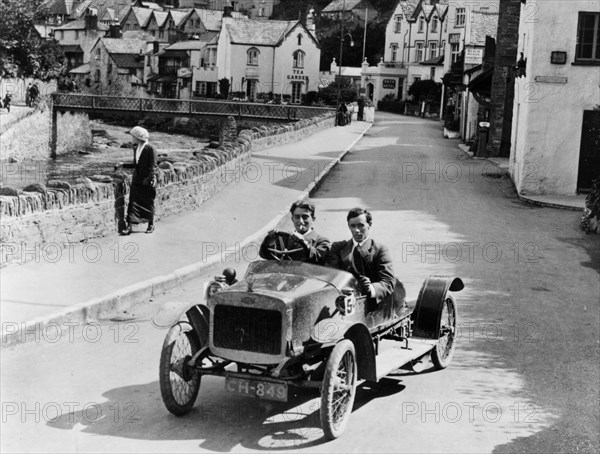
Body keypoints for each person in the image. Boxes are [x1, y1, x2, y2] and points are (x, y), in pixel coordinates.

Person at [326, 208, 395, 304]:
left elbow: (388, 283)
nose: (356, 230)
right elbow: (330, 276)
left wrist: (371, 288)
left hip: (369, 306)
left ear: (369, 225)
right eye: (352, 226)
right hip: (341, 302)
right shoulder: (338, 248)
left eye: (361, 225)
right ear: (348, 226)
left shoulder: (380, 249)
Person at [259, 201, 330, 265]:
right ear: (292, 219)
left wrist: (304, 243)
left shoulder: (322, 241)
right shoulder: (284, 239)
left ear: (313, 219)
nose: (301, 221)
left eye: (305, 217)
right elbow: (265, 255)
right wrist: (270, 242)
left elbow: (320, 260)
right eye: (297, 217)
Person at [120, 126, 157, 235]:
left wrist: (149, 179)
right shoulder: (136, 148)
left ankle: (151, 225)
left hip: (147, 180)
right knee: (133, 203)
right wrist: (123, 164)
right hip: (137, 179)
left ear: (138, 137)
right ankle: (129, 227)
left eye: (133, 136)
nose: (132, 138)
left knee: (148, 203)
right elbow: (136, 164)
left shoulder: (151, 148)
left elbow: (153, 166)